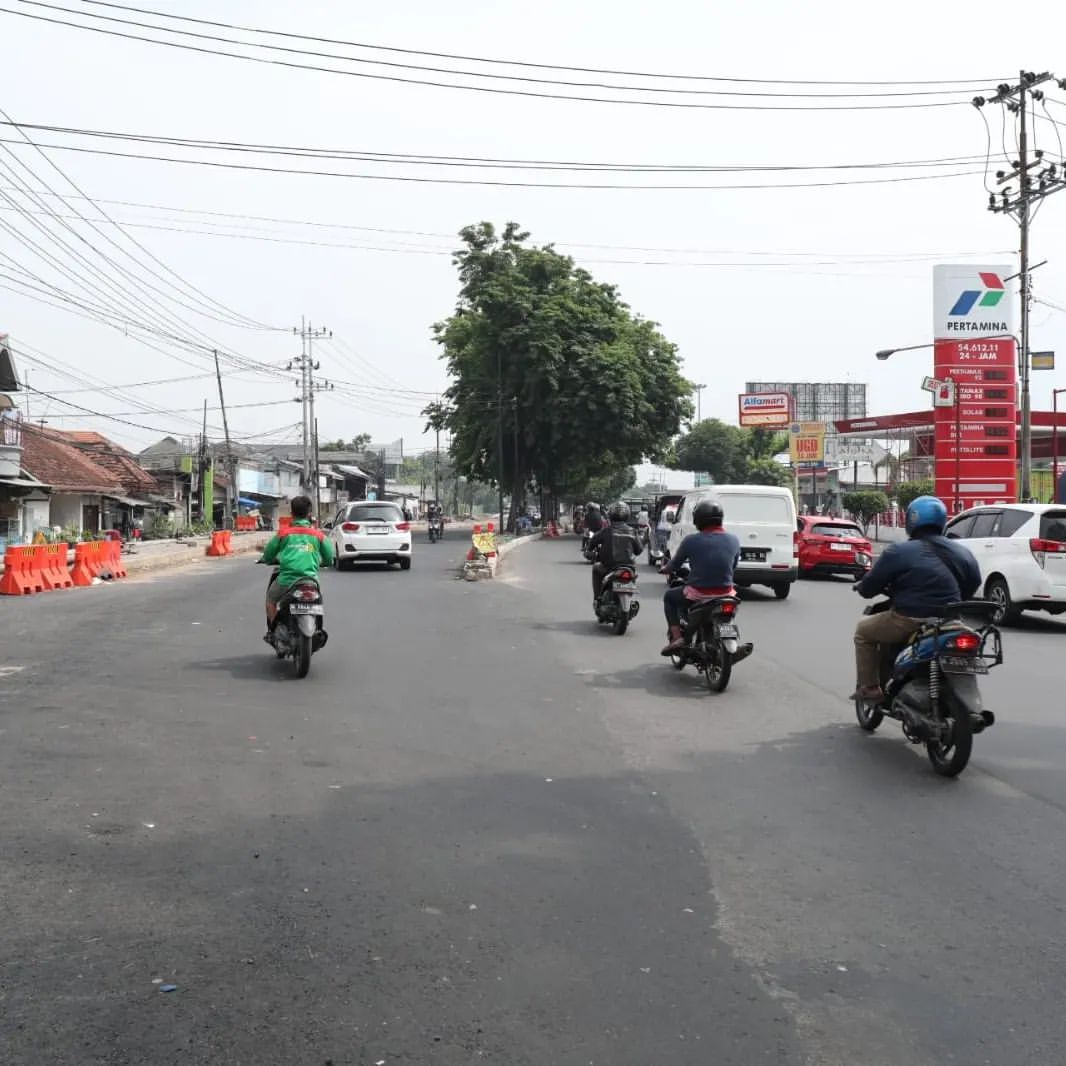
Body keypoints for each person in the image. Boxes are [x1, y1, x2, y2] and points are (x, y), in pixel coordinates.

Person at [851, 494, 981, 701]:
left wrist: (862, 586)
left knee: (863, 631)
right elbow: (973, 582)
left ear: (912, 519)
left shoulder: (898, 551)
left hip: (908, 620)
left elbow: (869, 588)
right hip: (951, 620)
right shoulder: (962, 552)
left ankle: (870, 688)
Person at [661, 501, 740, 654]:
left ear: (698, 519)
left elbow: (674, 565)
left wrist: (665, 569)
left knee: (670, 597)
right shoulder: (734, 539)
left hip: (699, 593)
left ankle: (677, 637)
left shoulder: (691, 540)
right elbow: (733, 566)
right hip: (727, 593)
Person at [259, 495, 334, 639]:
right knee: (319, 601)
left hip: (286, 580)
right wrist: (322, 562)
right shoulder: (318, 535)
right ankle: (319, 628)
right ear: (309, 514)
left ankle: (276, 631)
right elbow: (329, 559)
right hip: (310, 581)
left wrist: (267, 560)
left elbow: (268, 555)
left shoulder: (283, 534)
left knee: (271, 600)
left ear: (291, 513)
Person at [588, 501, 643, 606]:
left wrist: (589, 549)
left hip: (609, 567)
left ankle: (597, 598)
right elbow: (639, 550)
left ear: (611, 515)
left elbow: (593, 542)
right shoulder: (632, 531)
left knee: (596, 567)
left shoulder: (606, 531)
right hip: (629, 567)